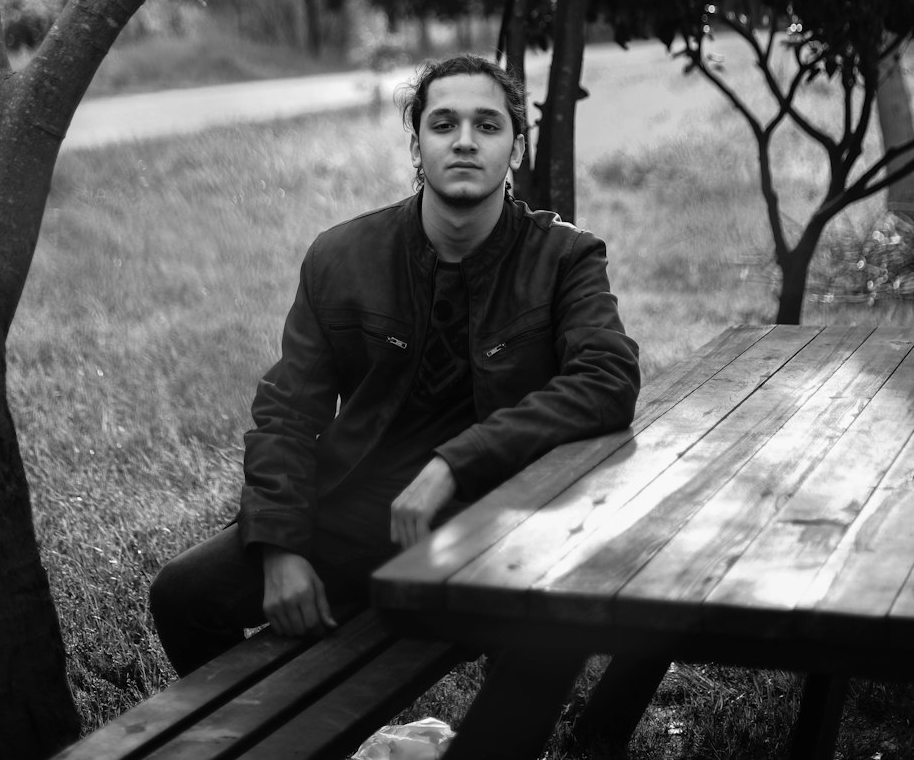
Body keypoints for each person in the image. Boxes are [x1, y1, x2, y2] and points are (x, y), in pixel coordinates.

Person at [149, 53, 640, 675]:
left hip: (495, 511)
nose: (465, 141)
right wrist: (279, 547)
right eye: (444, 125)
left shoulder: (564, 258)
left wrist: (453, 464)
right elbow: (287, 412)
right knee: (182, 595)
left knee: (533, 621)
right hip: (354, 511)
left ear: (517, 149)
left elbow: (607, 379)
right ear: (416, 145)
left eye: (489, 126)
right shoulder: (341, 257)